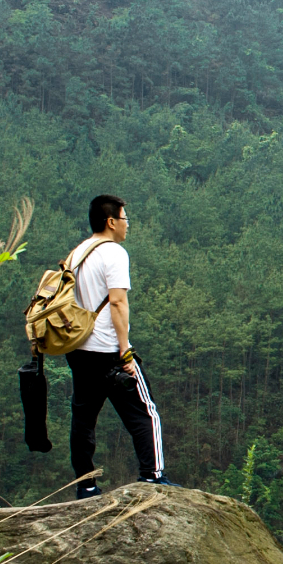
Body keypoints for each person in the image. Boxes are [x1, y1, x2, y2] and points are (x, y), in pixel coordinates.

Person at [67, 195, 175, 498]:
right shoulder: (114, 253)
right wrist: (125, 350)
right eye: (125, 218)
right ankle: (152, 476)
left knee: (84, 419)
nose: (128, 225)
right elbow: (117, 301)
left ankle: (85, 486)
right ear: (111, 221)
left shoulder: (78, 253)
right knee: (144, 413)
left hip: (79, 350)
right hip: (109, 351)